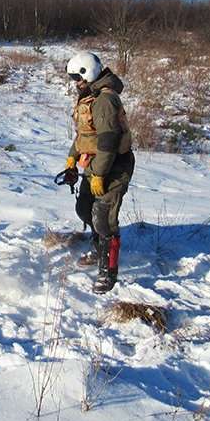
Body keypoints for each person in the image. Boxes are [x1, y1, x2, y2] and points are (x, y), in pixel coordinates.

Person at [64, 52, 134, 293]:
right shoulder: (91, 97)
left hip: (114, 165)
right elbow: (86, 135)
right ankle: (98, 248)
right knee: (84, 208)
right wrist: (72, 157)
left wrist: (100, 174)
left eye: (77, 77)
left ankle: (108, 273)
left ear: (88, 74)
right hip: (96, 164)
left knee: (103, 218)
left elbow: (108, 141)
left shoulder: (105, 100)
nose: (75, 83)